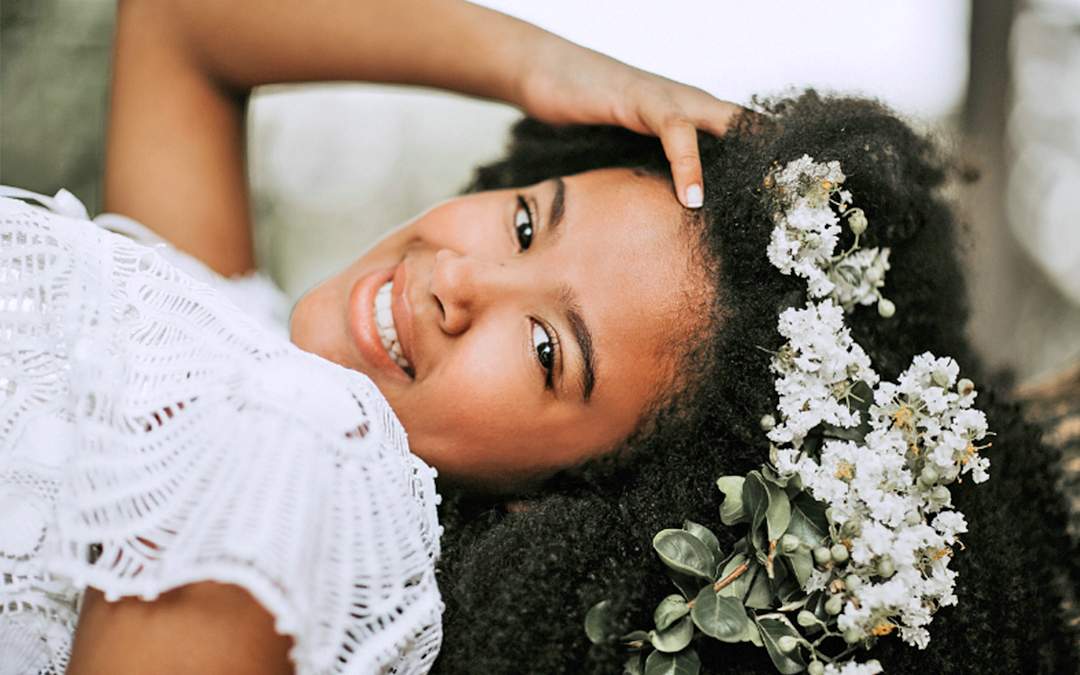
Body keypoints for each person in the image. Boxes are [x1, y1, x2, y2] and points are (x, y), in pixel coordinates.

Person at [0, 4, 1075, 675]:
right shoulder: (232, 338)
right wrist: (544, 67)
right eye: (528, 219)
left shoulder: (294, 459)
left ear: (551, 507)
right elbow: (182, 23)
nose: (460, 280)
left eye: (550, 350)